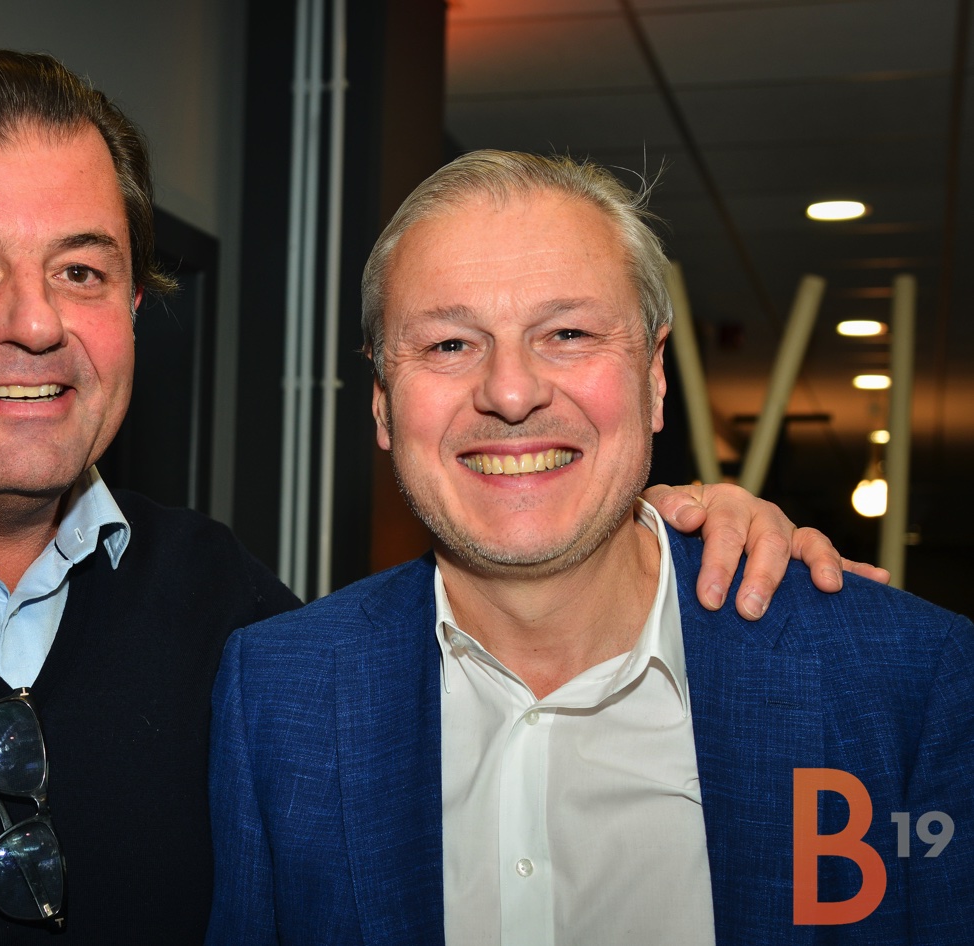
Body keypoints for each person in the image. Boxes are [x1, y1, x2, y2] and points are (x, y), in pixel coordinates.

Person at [0, 51, 866, 945]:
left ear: (132, 308)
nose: (32, 322)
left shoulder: (235, 618)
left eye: (82, 270)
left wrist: (666, 535)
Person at [207, 151, 972, 946]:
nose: (511, 392)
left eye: (568, 333)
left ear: (655, 378)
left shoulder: (906, 682)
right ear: (382, 405)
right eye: (449, 345)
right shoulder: (277, 697)